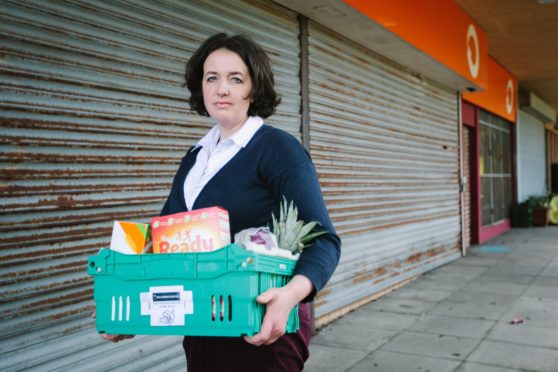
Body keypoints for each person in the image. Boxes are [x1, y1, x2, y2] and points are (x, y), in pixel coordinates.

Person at [104, 33, 341, 372]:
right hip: (203, 322)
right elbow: (160, 241)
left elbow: (325, 241)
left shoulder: (277, 149)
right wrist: (126, 303)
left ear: (254, 88)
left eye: (235, 78)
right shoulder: (196, 157)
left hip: (261, 324)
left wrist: (289, 296)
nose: (222, 89)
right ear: (200, 86)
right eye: (211, 77)